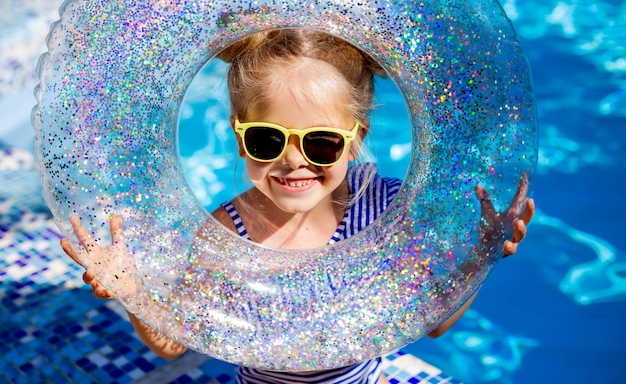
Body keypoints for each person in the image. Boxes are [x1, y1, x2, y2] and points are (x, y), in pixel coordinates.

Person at [60, 29, 535, 384]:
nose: (293, 160)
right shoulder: (224, 233)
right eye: (268, 139)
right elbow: (173, 343)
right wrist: (132, 291)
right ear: (240, 139)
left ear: (355, 142)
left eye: (322, 143)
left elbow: (431, 322)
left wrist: (480, 259)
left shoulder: (386, 211)